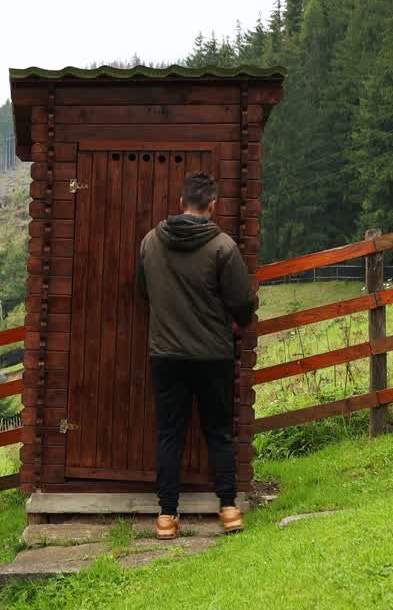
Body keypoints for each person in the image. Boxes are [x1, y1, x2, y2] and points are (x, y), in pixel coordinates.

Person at [136, 170, 255, 540]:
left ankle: (166, 516)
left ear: (180, 202)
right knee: (218, 432)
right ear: (213, 205)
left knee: (170, 433)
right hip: (213, 355)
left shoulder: (151, 242)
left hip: (166, 355)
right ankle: (229, 509)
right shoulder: (223, 247)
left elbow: (144, 292)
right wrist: (238, 322)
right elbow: (242, 302)